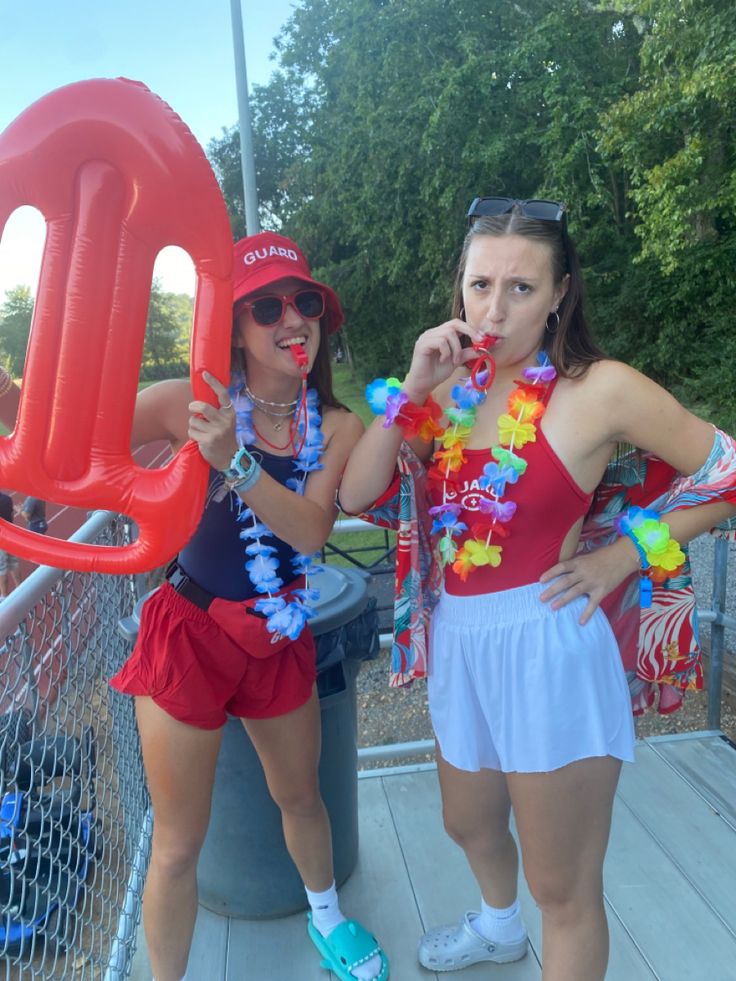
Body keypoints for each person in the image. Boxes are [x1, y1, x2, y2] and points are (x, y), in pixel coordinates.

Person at [338, 197, 736, 981]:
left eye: (521, 288)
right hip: (460, 636)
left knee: (562, 884)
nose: (495, 307)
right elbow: (356, 496)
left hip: (549, 641)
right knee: (468, 821)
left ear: (560, 293)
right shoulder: (446, 393)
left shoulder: (602, 389)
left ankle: (538, 928)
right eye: (480, 284)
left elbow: (725, 470)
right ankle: (496, 925)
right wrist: (413, 386)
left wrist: (628, 553)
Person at [110, 232, 389, 981]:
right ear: (232, 327)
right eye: (267, 306)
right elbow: (90, 441)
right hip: (189, 631)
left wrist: (232, 460)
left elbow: (311, 528)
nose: (291, 318)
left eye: (305, 303)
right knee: (178, 839)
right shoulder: (191, 402)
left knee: (301, 794)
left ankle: (328, 918)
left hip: (277, 633)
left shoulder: (335, 427)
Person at [0, 489, 21, 598]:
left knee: (1, 568)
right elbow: (11, 517)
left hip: (1, 539)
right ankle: (20, 587)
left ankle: (4, 595)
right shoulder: (8, 499)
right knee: (14, 563)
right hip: (11, 536)